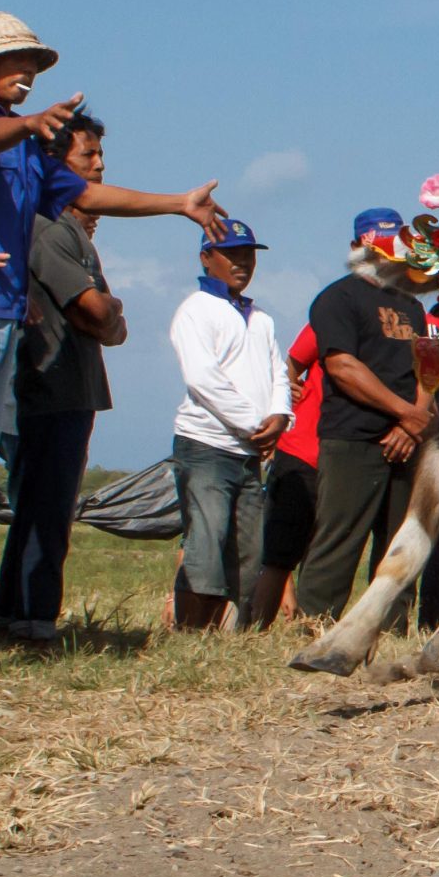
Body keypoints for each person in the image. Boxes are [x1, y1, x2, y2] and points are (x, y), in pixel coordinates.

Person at [0, 11, 224, 677]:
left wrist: (178, 202)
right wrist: (29, 126)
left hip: (3, 317)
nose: (29, 70)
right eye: (16, 59)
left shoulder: (34, 151)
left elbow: (92, 192)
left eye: (34, 58)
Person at [0, 110, 123, 647]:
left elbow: (112, 327)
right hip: (46, 390)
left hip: (73, 389)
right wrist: (106, 309)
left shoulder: (73, 231)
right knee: (42, 511)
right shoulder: (48, 228)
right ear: (55, 162)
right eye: (88, 155)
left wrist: (106, 313)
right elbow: (95, 309)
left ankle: (17, 614)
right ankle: (27, 620)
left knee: (49, 510)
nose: (99, 166)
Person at [296, 209, 431, 623]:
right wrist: (407, 414)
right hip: (353, 437)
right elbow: (342, 367)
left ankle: (390, 626)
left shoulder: (412, 305)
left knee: (402, 542)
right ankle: (317, 624)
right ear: (357, 247)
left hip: (408, 440)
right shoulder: (338, 298)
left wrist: (416, 421)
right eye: (378, 245)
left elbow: (429, 367)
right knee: (339, 538)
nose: (388, 254)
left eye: (394, 244)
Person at [169, 219, 290, 629]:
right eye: (232, 254)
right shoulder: (195, 310)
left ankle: (228, 633)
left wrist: (280, 416)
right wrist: (256, 423)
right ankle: (191, 634)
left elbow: (278, 374)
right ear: (207, 258)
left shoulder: (261, 318)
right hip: (206, 443)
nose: (242, 262)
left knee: (247, 548)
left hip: (246, 449)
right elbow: (203, 379)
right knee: (206, 539)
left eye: (248, 255)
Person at [243, 324, 325, 629]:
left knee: (321, 555)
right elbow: (288, 369)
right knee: (278, 554)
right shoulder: (330, 314)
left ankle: (309, 629)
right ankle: (255, 630)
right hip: (301, 449)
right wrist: (287, 401)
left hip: (341, 456)